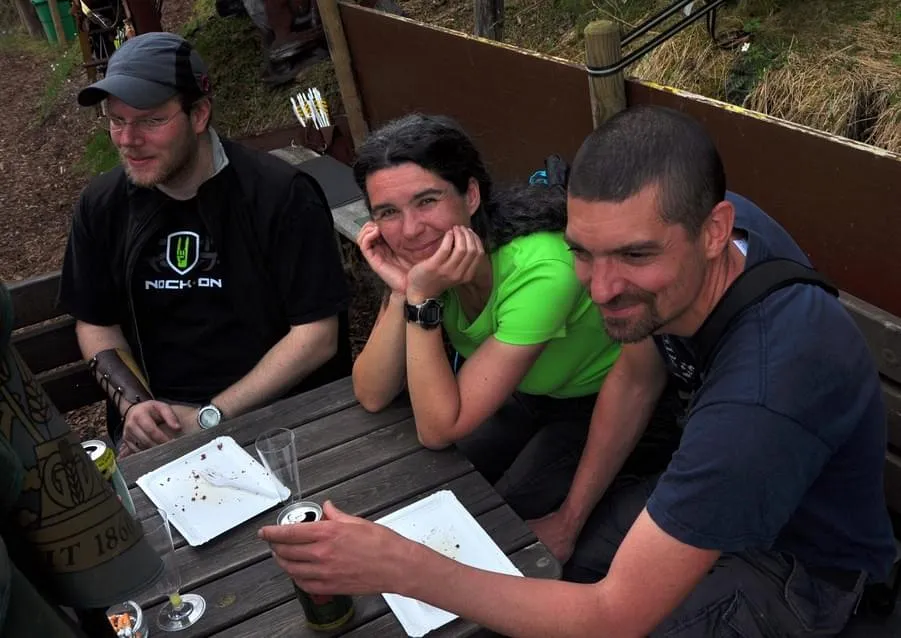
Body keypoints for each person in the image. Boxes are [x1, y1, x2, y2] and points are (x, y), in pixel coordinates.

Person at [259, 106, 896, 637]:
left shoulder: (762, 393)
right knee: (527, 552)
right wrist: (567, 519)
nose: (600, 289)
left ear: (713, 230)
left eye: (634, 255)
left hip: (798, 566)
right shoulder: (696, 228)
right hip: (720, 489)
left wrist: (402, 567)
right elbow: (637, 376)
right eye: (583, 253)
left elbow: (611, 616)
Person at [349, 114, 677, 520]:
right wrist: (404, 291)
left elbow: (437, 430)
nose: (411, 230)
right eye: (388, 213)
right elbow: (372, 392)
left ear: (471, 195)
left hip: (606, 407)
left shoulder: (541, 271)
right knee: (418, 477)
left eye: (427, 201)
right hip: (530, 394)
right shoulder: (431, 266)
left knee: (498, 513)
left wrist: (421, 300)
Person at [59, 32, 351, 457]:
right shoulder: (103, 205)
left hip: (278, 422)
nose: (127, 139)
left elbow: (318, 334)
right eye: (117, 120)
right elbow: (95, 322)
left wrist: (208, 417)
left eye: (151, 121)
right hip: (158, 429)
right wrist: (136, 407)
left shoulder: (279, 194)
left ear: (198, 115)